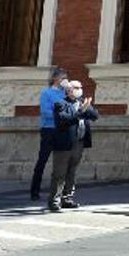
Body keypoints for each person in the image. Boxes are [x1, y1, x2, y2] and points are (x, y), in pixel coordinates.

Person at [48, 79, 97, 211]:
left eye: (80, 87)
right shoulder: (61, 104)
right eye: (76, 88)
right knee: (59, 173)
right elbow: (64, 120)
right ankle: (54, 200)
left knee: (71, 172)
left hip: (79, 143)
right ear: (69, 90)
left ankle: (67, 198)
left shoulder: (81, 103)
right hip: (64, 144)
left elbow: (94, 115)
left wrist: (87, 108)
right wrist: (81, 111)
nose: (79, 90)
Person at [31, 67, 69, 201]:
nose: (65, 80)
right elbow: (46, 112)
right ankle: (34, 190)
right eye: (62, 78)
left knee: (62, 162)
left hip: (63, 131)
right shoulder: (47, 93)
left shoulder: (66, 93)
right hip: (49, 129)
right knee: (42, 160)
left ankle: (61, 192)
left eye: (66, 78)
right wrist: (61, 115)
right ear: (55, 78)